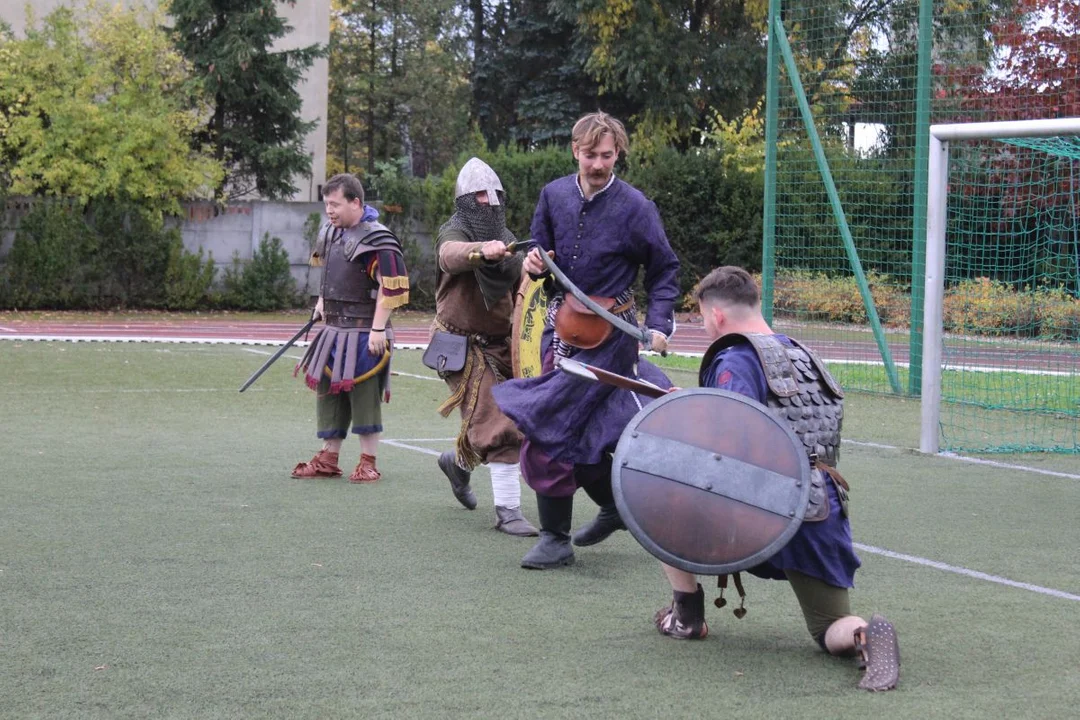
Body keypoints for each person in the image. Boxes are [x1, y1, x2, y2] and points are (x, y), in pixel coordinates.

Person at [652, 266, 900, 692]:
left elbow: (733, 440)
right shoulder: (804, 353)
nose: (705, 326)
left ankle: (686, 616)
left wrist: (685, 417)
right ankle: (865, 636)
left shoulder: (734, 358)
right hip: (820, 507)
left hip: (759, 507)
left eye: (702, 318)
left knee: (655, 493)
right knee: (830, 626)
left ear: (718, 316)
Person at [493, 112, 681, 569]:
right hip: (560, 330)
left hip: (611, 339)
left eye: (607, 155)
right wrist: (535, 264)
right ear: (575, 150)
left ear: (619, 154)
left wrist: (659, 323)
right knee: (586, 430)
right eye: (590, 154)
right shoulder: (553, 194)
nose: (598, 163)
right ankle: (614, 505)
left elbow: (665, 269)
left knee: (549, 422)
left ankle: (556, 540)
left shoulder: (637, 207)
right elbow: (541, 250)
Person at [430, 158, 538, 537]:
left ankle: (458, 464)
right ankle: (508, 511)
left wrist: (536, 267)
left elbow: (524, 293)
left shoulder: (508, 240)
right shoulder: (453, 232)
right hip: (460, 346)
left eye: (494, 195)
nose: (487, 201)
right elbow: (450, 256)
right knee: (496, 421)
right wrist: (481, 250)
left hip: (502, 347)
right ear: (464, 199)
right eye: (478, 195)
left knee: (520, 415)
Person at [292, 173, 409, 483]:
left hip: (363, 332)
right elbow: (328, 275)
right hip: (332, 330)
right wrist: (320, 303)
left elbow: (389, 287)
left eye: (335, 204)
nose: (329, 211)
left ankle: (368, 461)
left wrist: (378, 330)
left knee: (364, 395)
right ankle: (328, 456)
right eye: (326, 204)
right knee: (328, 393)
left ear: (356, 202)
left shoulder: (376, 238)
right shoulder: (330, 233)